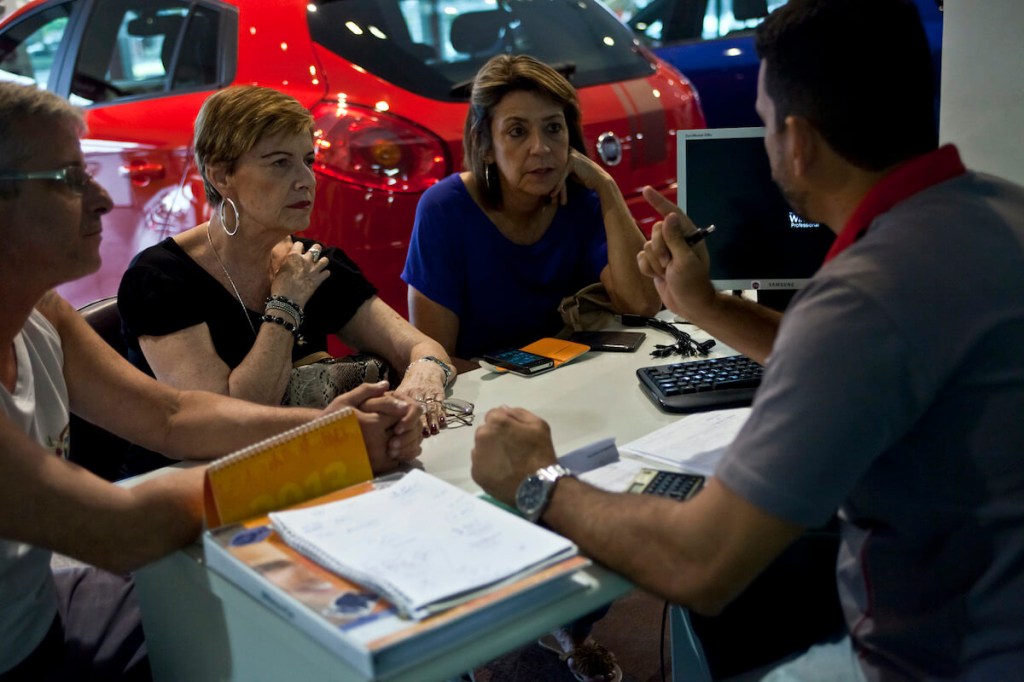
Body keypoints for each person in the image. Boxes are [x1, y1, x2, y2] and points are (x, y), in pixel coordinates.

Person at [470, 0, 1024, 679]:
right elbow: (855, 359)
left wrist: (538, 482)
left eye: (764, 123)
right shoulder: (1000, 210)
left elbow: (698, 563)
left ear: (797, 141)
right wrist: (704, 306)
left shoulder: (861, 297)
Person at [0, 81, 422, 679]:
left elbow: (174, 417)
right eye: (69, 177)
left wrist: (327, 427)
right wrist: (328, 448)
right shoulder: (155, 277)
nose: (99, 196)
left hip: (41, 614)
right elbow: (121, 532)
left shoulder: (38, 310)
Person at [118, 86, 455, 473]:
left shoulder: (310, 260)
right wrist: (286, 302)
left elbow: (420, 348)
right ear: (221, 175)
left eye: (308, 160)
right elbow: (222, 424)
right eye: (280, 163)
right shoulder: (161, 278)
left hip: (301, 466)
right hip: (188, 488)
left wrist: (421, 379)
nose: (306, 180)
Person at [402, 54, 661, 369]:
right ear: (484, 146)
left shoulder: (582, 199)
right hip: (489, 400)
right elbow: (436, 362)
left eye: (553, 127)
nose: (541, 147)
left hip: (575, 385)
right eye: (517, 132)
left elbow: (642, 305)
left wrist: (606, 187)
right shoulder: (444, 209)